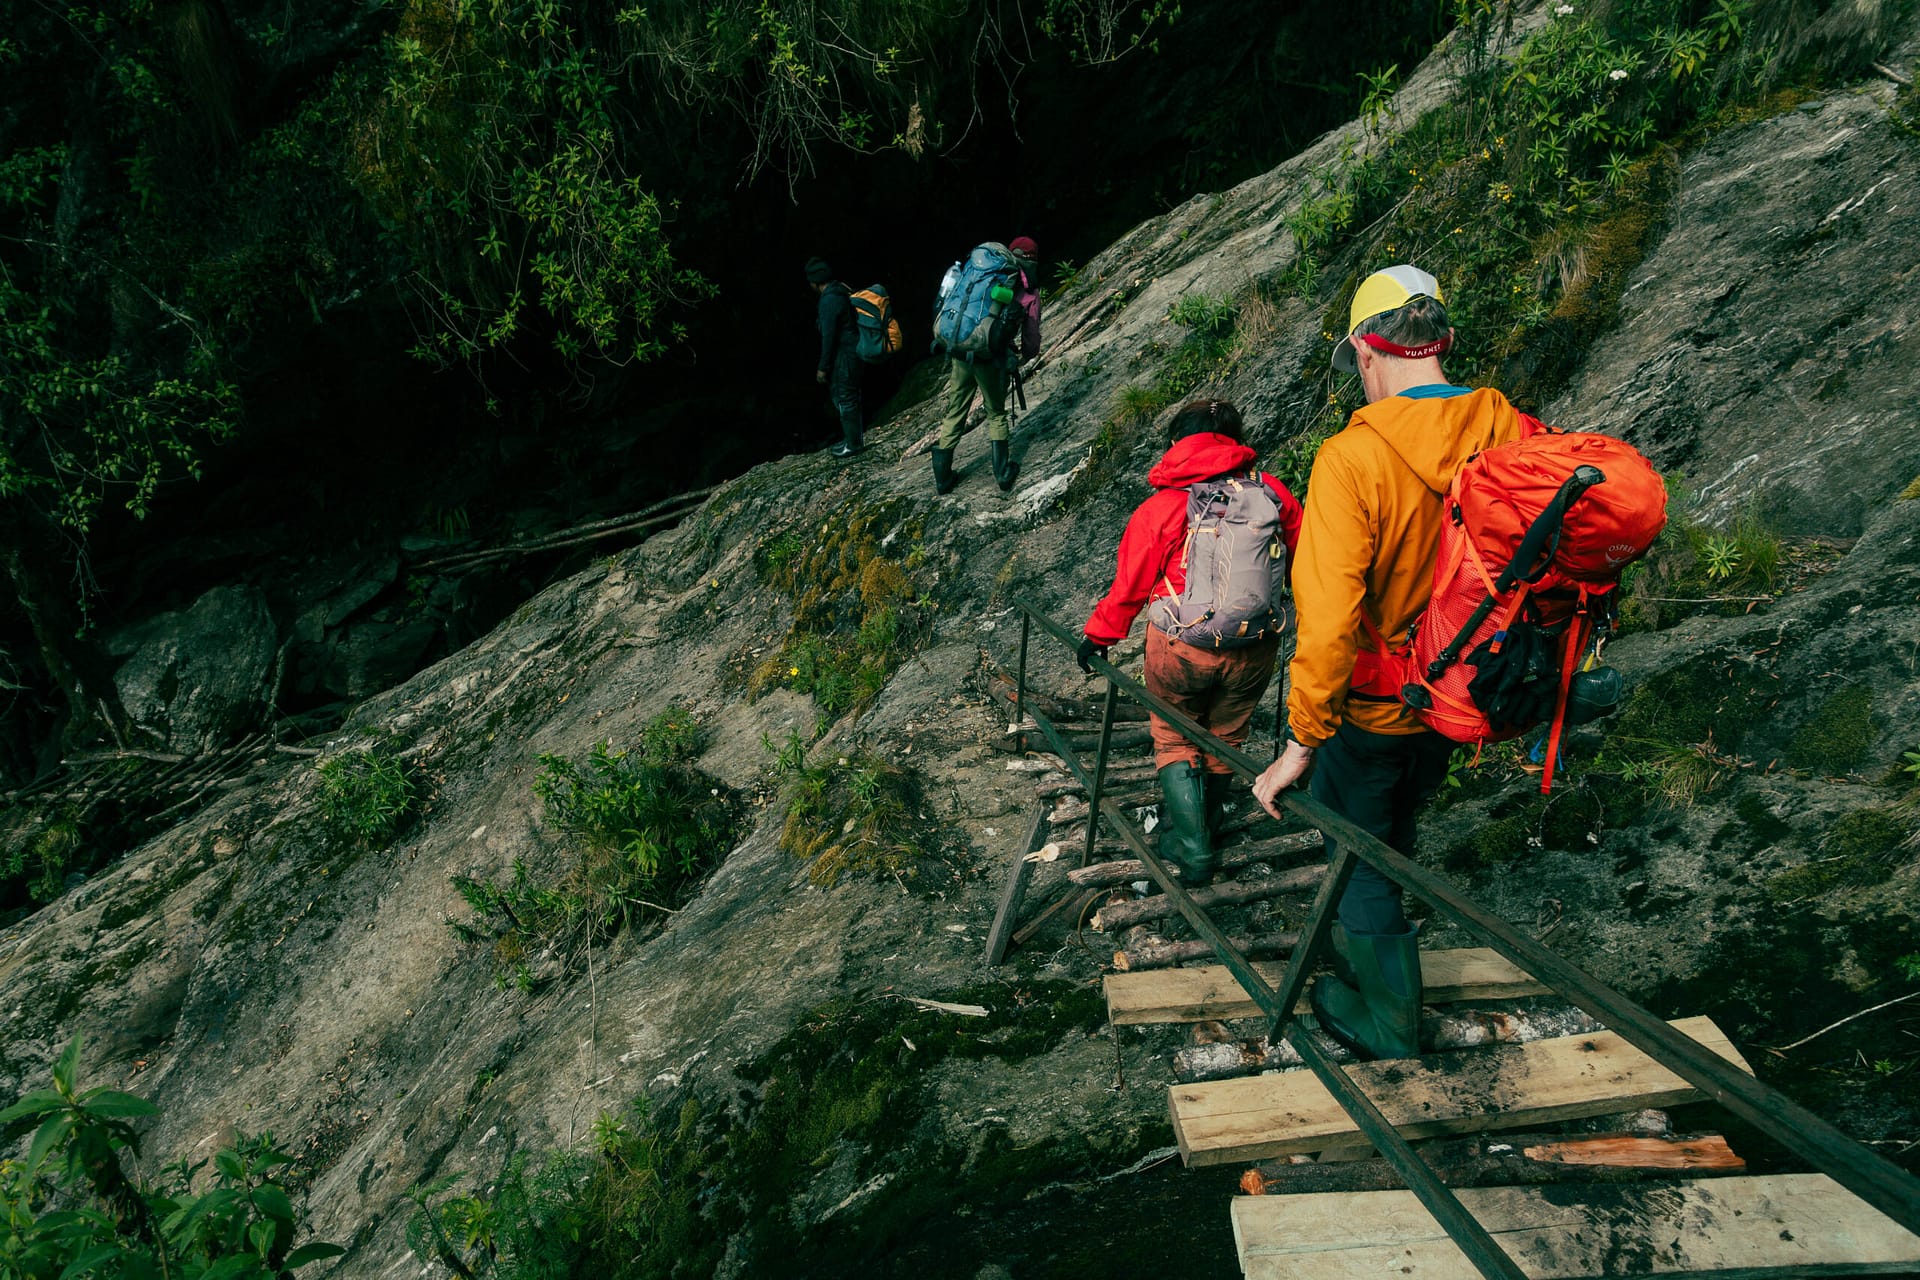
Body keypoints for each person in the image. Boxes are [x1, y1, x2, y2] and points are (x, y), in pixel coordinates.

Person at [1251, 264, 1533, 1060]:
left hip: (1374, 711)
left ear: (1369, 353)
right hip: (1461, 703)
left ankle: (1387, 1020)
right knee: (1397, 826)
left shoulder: (1351, 459)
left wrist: (1300, 745)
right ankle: (1364, 957)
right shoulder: (1509, 429)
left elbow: (1329, 619)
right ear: (1438, 341)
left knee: (1359, 846)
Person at [1078, 399, 1303, 883]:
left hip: (1180, 645)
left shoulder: (1161, 508)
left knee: (1175, 734)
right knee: (1227, 733)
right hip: (1254, 643)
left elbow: (1130, 586)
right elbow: (1303, 561)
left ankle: (1194, 847)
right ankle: (1212, 823)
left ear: (1177, 444)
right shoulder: (1272, 494)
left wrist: (1099, 637)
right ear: (1234, 440)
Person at [932, 236, 1042, 494]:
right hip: (990, 357)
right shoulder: (1028, 289)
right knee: (996, 412)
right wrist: (1025, 354)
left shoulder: (985, 271)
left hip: (962, 348)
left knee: (955, 410)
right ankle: (1003, 474)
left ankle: (943, 479)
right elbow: (1032, 338)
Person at [807, 256, 863, 459]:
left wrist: (823, 367)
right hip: (852, 351)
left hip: (844, 356)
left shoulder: (829, 300)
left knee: (845, 397)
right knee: (849, 396)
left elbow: (828, 337)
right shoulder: (841, 289)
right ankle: (853, 439)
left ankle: (853, 444)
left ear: (814, 282)